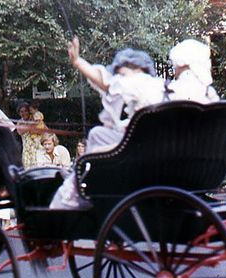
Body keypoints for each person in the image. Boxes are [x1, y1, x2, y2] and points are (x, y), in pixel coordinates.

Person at [50, 37, 166, 208]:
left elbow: (107, 83)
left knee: (96, 142)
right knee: (98, 134)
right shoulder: (163, 88)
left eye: (121, 73)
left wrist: (77, 62)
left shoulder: (139, 83)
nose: (118, 77)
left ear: (135, 69)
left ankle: (79, 192)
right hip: (156, 154)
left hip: (140, 158)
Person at [166, 39, 220, 104]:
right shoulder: (209, 93)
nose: (175, 67)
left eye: (175, 64)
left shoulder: (169, 91)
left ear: (181, 64)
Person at [15, 102, 47, 169]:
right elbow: (20, 132)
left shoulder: (36, 118)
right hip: (27, 150)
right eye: (21, 112)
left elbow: (44, 130)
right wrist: (32, 125)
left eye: (26, 111)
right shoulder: (19, 122)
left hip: (38, 147)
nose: (24, 113)